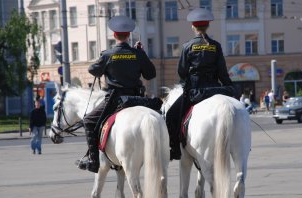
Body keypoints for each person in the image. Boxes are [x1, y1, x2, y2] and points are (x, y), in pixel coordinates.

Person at [77, 16, 156, 173]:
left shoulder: (108, 55)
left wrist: (103, 57)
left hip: (115, 100)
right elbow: (150, 74)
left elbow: (93, 70)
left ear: (114, 35)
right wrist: (141, 54)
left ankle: (93, 161)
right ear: (128, 35)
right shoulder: (138, 53)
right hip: (138, 99)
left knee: (88, 121)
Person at [165, 8, 234, 160]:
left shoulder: (187, 46)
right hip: (215, 89)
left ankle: (175, 149)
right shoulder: (216, 45)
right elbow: (222, 72)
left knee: (170, 115)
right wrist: (230, 88)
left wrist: (186, 83)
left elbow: (182, 72)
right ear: (207, 26)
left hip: (195, 91)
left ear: (193, 27)